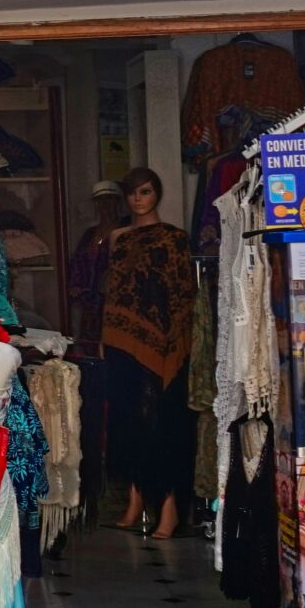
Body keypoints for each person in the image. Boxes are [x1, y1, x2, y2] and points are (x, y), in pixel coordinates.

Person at [100, 167, 196, 539]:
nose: (138, 199)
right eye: (132, 194)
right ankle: (135, 501)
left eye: (145, 192)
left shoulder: (175, 239)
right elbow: (116, 290)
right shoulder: (118, 238)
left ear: (157, 194)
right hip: (123, 340)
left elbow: (183, 292)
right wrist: (108, 335)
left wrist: (177, 342)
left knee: (165, 422)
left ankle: (169, 509)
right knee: (128, 421)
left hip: (163, 343)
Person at [65, 178, 123, 351]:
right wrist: (75, 285)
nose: (106, 205)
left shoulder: (125, 231)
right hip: (90, 302)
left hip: (114, 300)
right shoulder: (90, 234)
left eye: (110, 200)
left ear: (118, 202)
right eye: (101, 201)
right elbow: (78, 262)